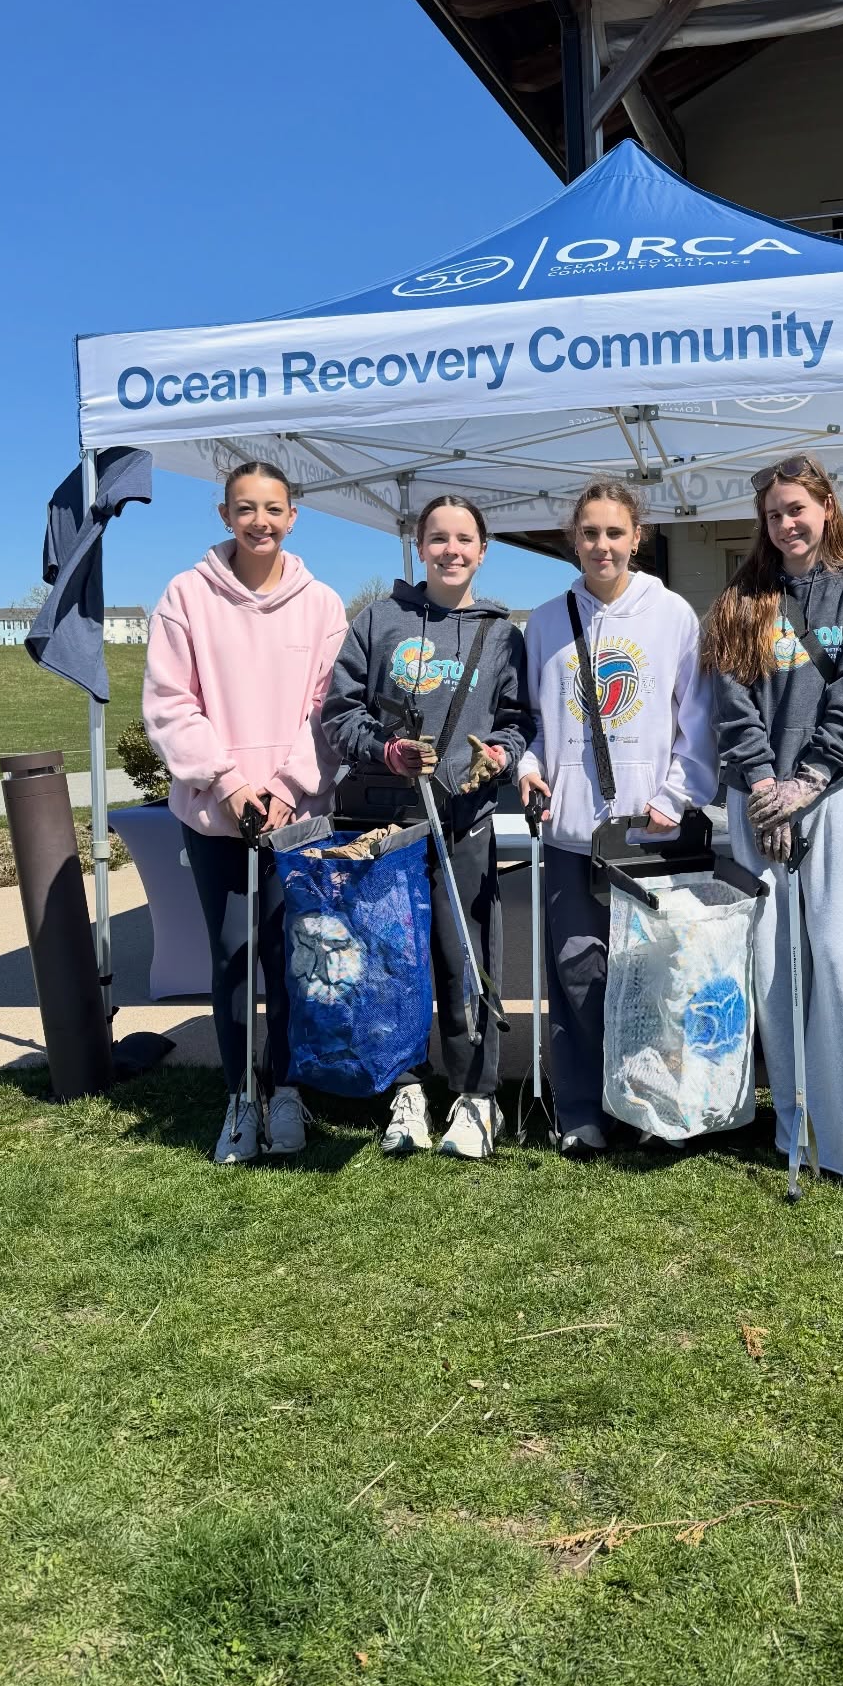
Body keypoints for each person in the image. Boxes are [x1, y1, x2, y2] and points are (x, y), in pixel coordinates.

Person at [702, 454, 843, 1200]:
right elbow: (730, 706)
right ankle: (796, 1125)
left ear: (827, 506)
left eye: (798, 508)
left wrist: (809, 780)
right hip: (761, 801)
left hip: (838, 796)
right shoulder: (740, 599)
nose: (787, 524)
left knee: (841, 958)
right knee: (774, 967)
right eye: (773, 514)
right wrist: (766, 788)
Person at [143, 460, 347, 1165]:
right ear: (225, 515)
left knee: (292, 960)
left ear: (293, 517)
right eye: (245, 508)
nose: (260, 520)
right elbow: (172, 703)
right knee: (232, 959)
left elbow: (327, 711)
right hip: (216, 815)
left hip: (296, 816)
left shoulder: (320, 603)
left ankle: (286, 1092)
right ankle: (240, 1097)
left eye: (273, 508)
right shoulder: (186, 595)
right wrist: (228, 782)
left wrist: (289, 785)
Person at [322, 496, 533, 1160]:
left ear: (482, 548)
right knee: (392, 963)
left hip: (464, 825)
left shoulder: (501, 632)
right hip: (389, 830)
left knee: (466, 962)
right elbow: (338, 711)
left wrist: (501, 756)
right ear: (419, 546)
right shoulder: (379, 620)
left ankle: (477, 1097)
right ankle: (406, 1091)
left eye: (463, 539)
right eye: (437, 538)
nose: (451, 550)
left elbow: (519, 722)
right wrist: (383, 751)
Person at [518, 481, 717, 1155]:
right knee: (578, 970)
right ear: (573, 540)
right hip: (572, 831)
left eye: (614, 533)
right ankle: (584, 1109)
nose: (601, 545)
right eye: (589, 533)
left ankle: (654, 1107)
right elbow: (536, 725)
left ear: (638, 537)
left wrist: (674, 795)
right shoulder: (545, 621)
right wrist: (527, 766)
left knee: (654, 976)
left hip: (647, 831)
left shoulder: (673, 617)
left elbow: (697, 723)